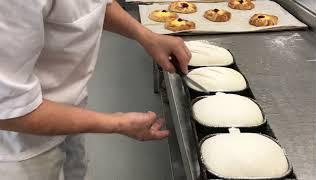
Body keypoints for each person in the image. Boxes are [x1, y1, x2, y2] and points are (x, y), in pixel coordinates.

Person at [0, 0, 191, 179]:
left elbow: (98, 5)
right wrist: (118, 123)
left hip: (69, 112)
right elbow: (9, 110)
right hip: (20, 146)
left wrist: (147, 36)